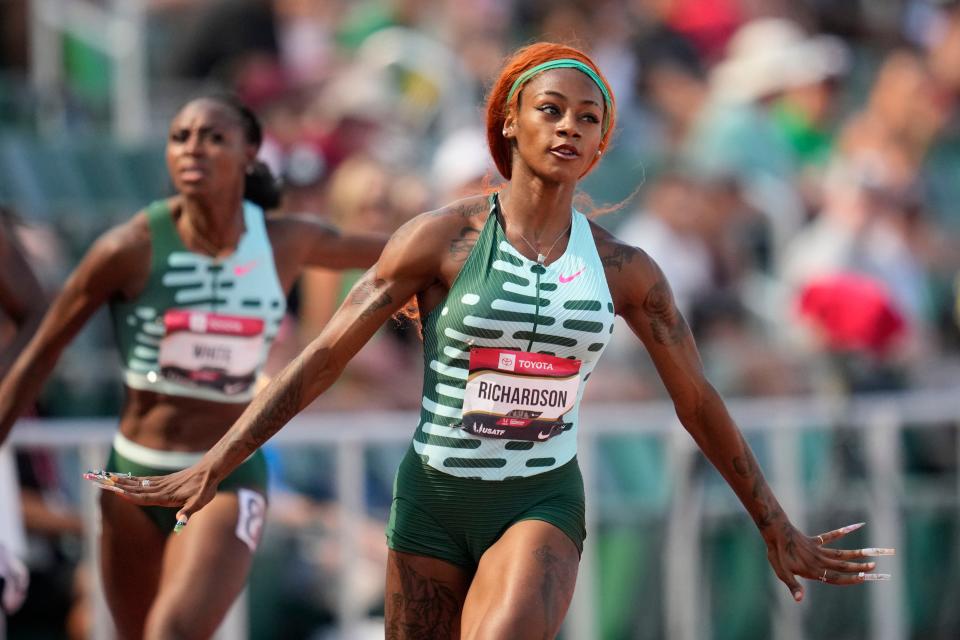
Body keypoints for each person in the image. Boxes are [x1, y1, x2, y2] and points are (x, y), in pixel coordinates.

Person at [93, 44, 893, 639]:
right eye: (551, 110)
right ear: (509, 121)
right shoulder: (437, 240)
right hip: (433, 501)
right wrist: (217, 462)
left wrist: (773, 522)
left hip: (537, 499)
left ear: (604, 145)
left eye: (590, 118)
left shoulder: (627, 272)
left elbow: (697, 399)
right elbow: (325, 356)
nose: (570, 127)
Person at [0, 93, 387, 639]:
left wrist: (486, 231)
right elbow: (42, 349)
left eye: (213, 137)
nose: (193, 149)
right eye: (180, 137)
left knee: (174, 631)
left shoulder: (285, 243)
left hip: (224, 475)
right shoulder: (128, 247)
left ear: (250, 152)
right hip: (134, 474)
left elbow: (403, 253)